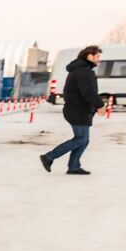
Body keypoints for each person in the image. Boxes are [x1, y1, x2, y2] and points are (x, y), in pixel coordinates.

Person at [40, 45, 101, 176]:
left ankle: (73, 166)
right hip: (77, 110)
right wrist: (100, 105)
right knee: (80, 139)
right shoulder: (83, 71)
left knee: (83, 139)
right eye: (97, 56)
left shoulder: (81, 70)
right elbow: (88, 92)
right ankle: (49, 157)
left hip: (78, 109)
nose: (98, 59)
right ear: (89, 56)